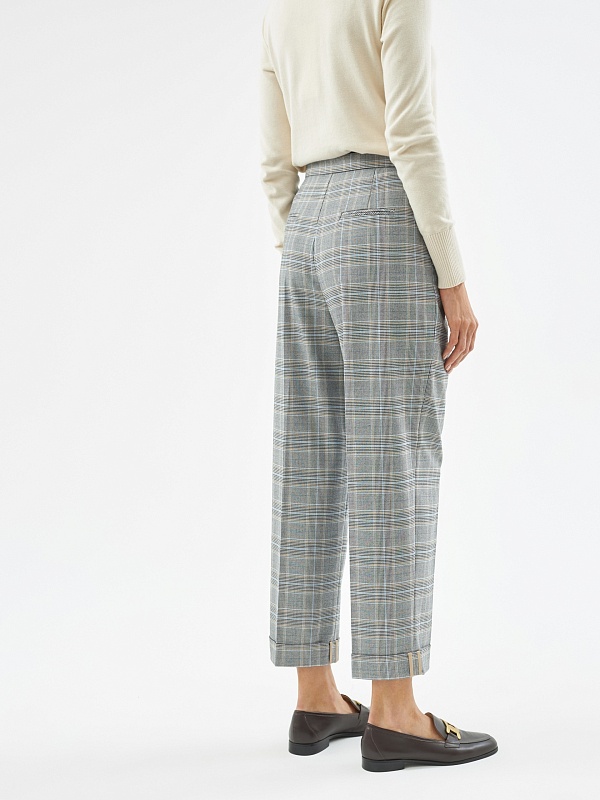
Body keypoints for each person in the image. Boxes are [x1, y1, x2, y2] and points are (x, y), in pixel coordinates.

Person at [258, 0, 497, 772]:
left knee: (309, 457)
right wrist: (452, 280)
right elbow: (412, 131)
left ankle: (316, 696)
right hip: (382, 210)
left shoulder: (281, 7)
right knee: (393, 460)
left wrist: (298, 236)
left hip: (307, 224)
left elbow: (273, 152)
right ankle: (394, 711)